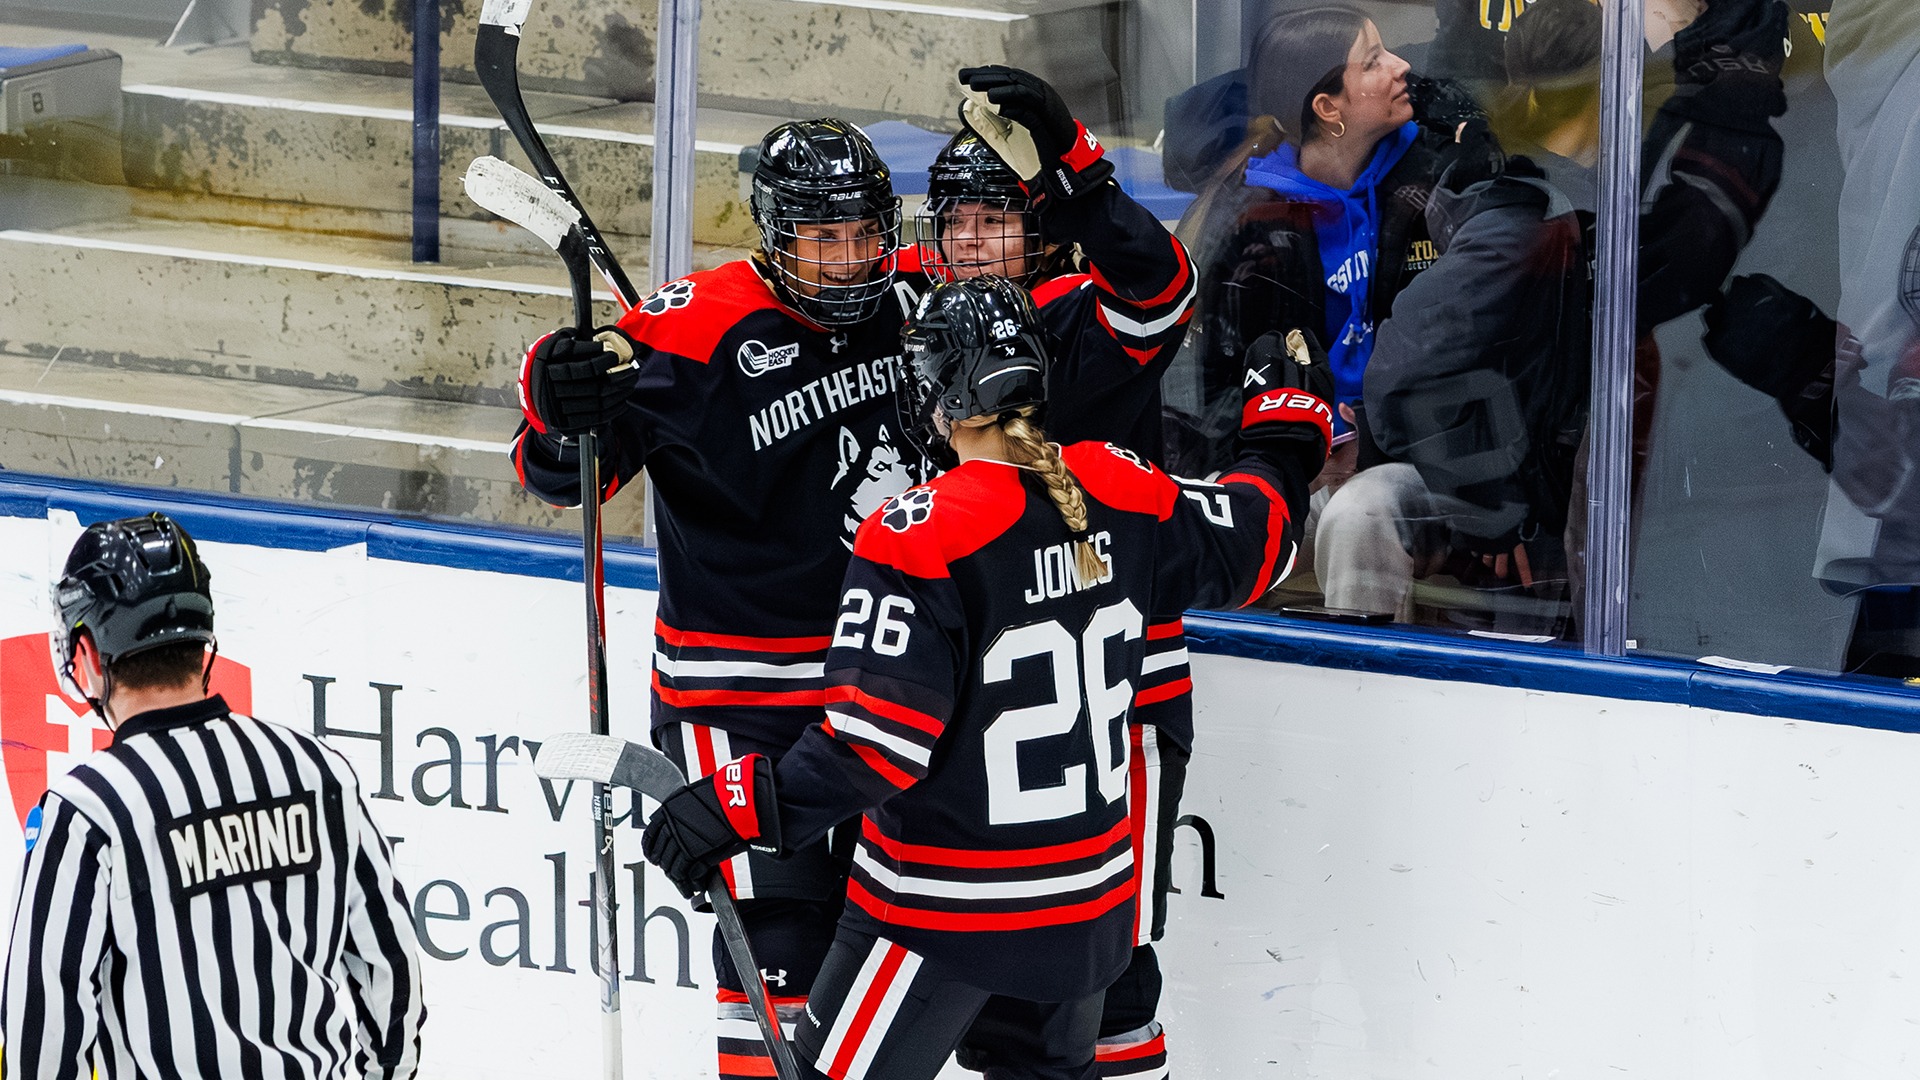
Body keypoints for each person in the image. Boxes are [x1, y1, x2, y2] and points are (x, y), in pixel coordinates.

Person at [636, 275, 1331, 1080]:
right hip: (1086, 909)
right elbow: (1262, 539)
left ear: (940, 396)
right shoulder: (1117, 486)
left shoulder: (920, 535)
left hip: (941, 909)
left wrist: (729, 805)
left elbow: (873, 752)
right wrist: (1281, 439)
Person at [511, 117, 930, 1080]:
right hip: (739, 703)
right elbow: (561, 473)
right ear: (775, 236)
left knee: (886, 962)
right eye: (825, 240)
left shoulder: (907, 302)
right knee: (775, 949)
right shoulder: (688, 329)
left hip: (882, 692)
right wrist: (558, 397)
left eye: (866, 233)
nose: (852, 259)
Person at [1312, 0, 1788, 627]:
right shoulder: (1526, 220)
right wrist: (1489, 507)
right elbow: (1403, 375)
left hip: (1548, 487)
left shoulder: (1569, 186)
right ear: (1610, 84)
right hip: (1514, 505)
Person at [919, 69, 1196, 1079]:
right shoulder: (929, 310)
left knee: (1110, 956)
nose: (973, 244)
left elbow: (1163, 288)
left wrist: (1077, 161)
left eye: (1000, 221)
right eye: (961, 222)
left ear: (1045, 232)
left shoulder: (1084, 310)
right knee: (980, 947)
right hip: (983, 674)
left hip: (1112, 675)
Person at [1, 512, 424, 1079]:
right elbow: (391, 971)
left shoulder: (88, 809)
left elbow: (43, 1030)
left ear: (89, 656)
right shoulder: (318, 772)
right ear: (203, 644)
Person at [1163, 4, 1471, 561]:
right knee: (1206, 528)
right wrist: (1299, 434)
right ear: (1329, 107)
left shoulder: (1435, 178)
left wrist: (1370, 433)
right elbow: (1218, 392)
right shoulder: (1254, 221)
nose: (1402, 66)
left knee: (1358, 518)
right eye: (1373, 61)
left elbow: (1465, 350)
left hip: (1415, 449)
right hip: (1296, 455)